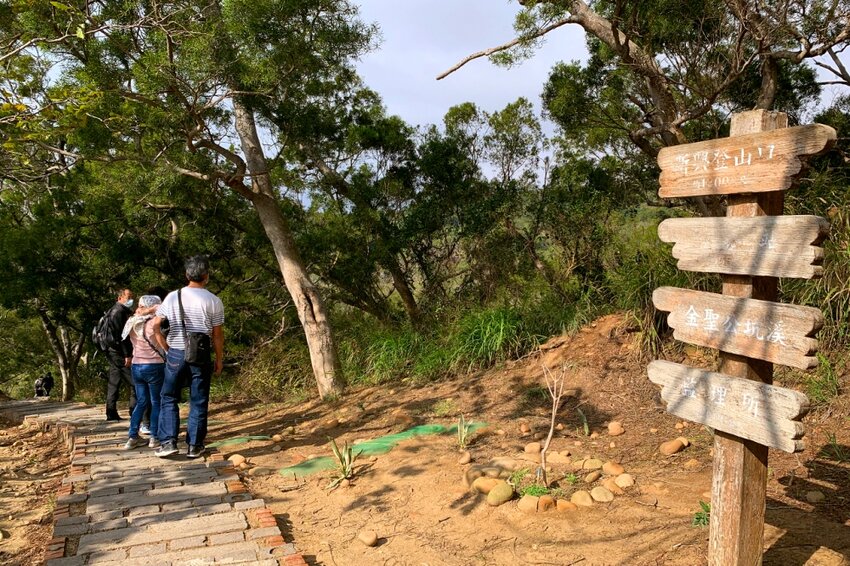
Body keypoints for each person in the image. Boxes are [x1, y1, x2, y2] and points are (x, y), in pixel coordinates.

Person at [152, 256, 224, 458]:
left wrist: (165, 346)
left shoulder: (173, 296)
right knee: (199, 399)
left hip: (175, 351)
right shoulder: (214, 301)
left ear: (186, 275)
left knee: (168, 397)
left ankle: (168, 443)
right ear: (206, 276)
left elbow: (156, 324)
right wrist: (219, 359)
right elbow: (217, 334)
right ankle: (194, 445)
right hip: (201, 355)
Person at [122, 295, 166, 450]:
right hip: (154, 365)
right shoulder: (155, 322)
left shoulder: (132, 322)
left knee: (141, 402)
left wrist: (143, 310)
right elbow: (165, 310)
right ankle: (155, 437)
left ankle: (132, 436)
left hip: (137, 366)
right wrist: (153, 308)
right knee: (156, 402)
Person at [104, 288, 137, 421]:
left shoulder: (117, 311)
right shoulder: (118, 312)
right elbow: (121, 337)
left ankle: (111, 412)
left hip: (113, 351)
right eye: (128, 297)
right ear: (120, 298)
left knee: (114, 382)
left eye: (131, 297)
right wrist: (127, 355)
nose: (130, 300)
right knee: (135, 383)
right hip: (119, 353)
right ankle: (134, 411)